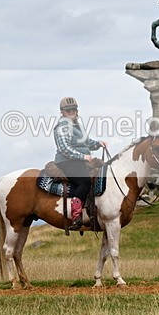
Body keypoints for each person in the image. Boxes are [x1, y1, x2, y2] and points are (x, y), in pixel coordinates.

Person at [53, 96, 107, 229]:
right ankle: (76, 216)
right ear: (62, 112)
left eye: (73, 109)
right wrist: (83, 156)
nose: (71, 111)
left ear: (77, 110)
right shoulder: (63, 126)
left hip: (79, 160)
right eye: (68, 110)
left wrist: (98, 144)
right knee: (85, 181)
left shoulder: (77, 125)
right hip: (67, 161)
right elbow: (64, 148)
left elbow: (86, 142)